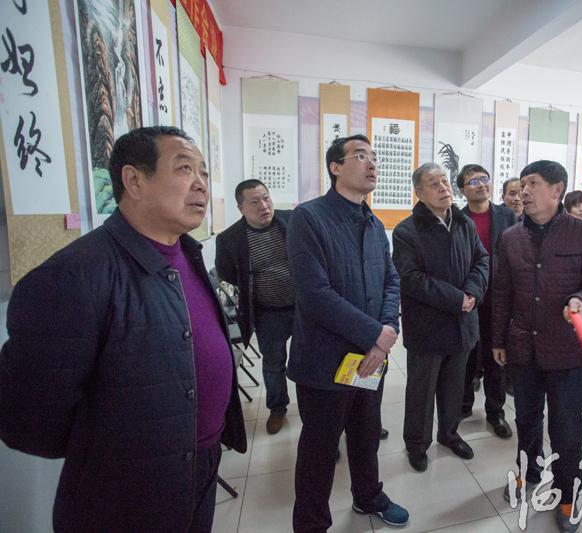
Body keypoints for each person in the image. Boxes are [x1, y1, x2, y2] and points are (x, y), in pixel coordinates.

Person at [0, 126, 247, 532]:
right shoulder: (73, 277)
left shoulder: (187, 254)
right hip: (124, 493)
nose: (201, 184)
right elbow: (29, 423)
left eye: (204, 172)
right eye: (184, 168)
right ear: (134, 180)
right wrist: (117, 456)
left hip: (197, 466)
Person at [287, 134, 408, 531]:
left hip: (371, 358)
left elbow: (391, 280)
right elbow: (315, 294)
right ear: (335, 167)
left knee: (366, 432)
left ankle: (368, 496)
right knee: (320, 449)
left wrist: (387, 331)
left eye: (374, 156)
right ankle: (311, 524)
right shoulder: (309, 218)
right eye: (360, 156)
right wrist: (376, 334)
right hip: (325, 359)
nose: (372, 163)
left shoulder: (373, 222)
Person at [492, 160, 582, 533]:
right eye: (522, 184)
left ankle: (568, 492)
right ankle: (528, 472)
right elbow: (502, 292)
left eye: (532, 184)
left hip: (567, 349)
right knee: (526, 419)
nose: (524, 191)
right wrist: (498, 339)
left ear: (557, 189)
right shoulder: (511, 237)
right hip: (522, 346)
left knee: (566, 425)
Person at [393, 163, 489, 471]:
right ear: (419, 193)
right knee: (421, 391)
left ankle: (449, 434)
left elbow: (481, 260)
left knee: (454, 386)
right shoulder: (407, 231)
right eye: (434, 184)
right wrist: (457, 299)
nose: (443, 187)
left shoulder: (463, 223)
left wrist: (472, 292)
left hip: (463, 324)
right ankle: (417, 444)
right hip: (428, 327)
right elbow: (411, 278)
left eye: (445, 181)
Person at [215, 180, 294, 434]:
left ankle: (314, 404)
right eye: (254, 202)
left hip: (303, 307)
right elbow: (227, 275)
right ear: (241, 208)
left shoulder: (292, 220)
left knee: (310, 357)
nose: (264, 206)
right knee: (273, 363)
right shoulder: (229, 239)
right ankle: (277, 407)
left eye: (266, 198)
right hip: (267, 312)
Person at [456, 164, 516, 439]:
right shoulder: (458, 218)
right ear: (462, 190)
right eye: (473, 181)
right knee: (466, 356)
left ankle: (496, 411)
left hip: (498, 298)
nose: (481, 185)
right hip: (468, 298)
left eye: (484, 179)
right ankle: (463, 405)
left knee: (496, 357)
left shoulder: (506, 215)